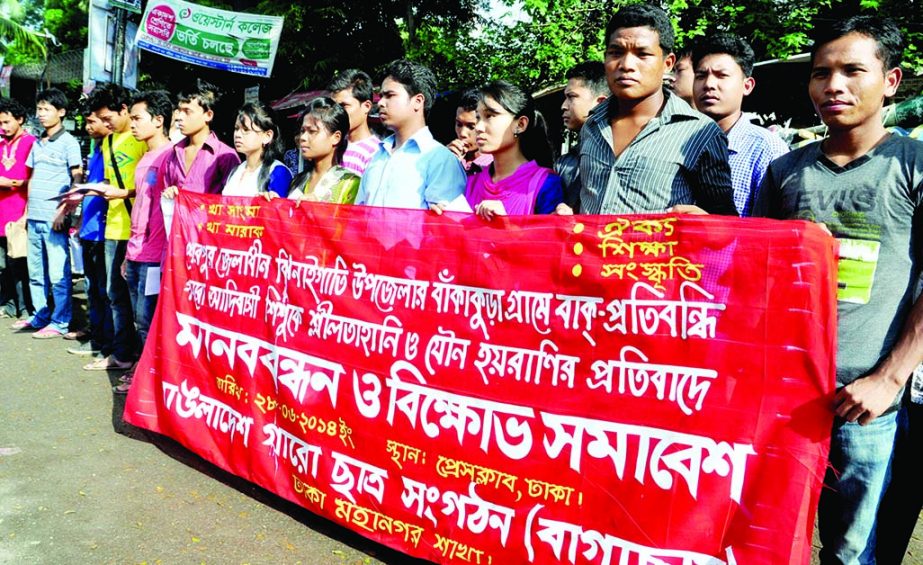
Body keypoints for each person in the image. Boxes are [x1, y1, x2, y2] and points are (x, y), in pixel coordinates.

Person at [750, 16, 923, 564]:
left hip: (868, 406)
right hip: (787, 397)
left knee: (852, 552)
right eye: (821, 73)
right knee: (773, 540)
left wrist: (887, 378)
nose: (834, 86)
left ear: (890, 80)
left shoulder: (914, 166)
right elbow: (758, 270)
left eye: (853, 71)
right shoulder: (784, 171)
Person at [579, 4, 736, 215]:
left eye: (642, 54)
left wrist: (709, 224)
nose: (626, 64)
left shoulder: (701, 134)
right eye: (616, 52)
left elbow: (727, 225)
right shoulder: (591, 125)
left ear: (668, 63)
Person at [82, 84, 148, 372]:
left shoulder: (142, 139)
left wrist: (125, 193)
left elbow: (149, 186)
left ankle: (135, 357)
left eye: (108, 118)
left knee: (137, 303)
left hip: (137, 231)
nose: (105, 124)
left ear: (124, 110)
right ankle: (121, 353)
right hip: (113, 227)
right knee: (114, 295)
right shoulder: (107, 143)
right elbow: (114, 182)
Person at [115, 90, 175, 394]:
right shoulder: (145, 156)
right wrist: (128, 253)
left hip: (156, 255)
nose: (133, 124)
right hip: (137, 251)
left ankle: (149, 378)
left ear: (159, 120)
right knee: (140, 319)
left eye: (138, 118)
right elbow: (141, 206)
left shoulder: (171, 156)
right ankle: (143, 372)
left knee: (149, 320)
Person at [10, 88, 82, 338]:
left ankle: (60, 321)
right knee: (36, 273)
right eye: (39, 109)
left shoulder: (69, 142)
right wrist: (25, 214)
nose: (41, 114)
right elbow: (32, 178)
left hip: (55, 220)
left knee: (57, 275)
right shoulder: (37, 142)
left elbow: (77, 178)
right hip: (34, 218)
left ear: (61, 112)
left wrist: (64, 211)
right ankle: (40, 314)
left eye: (46, 109)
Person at [692, 34, 789, 216]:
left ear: (747, 86)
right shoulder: (680, 141)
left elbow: (771, 230)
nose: (709, 84)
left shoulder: (766, 149)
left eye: (722, 76)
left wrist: (712, 225)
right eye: (701, 76)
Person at [355, 59, 466, 209]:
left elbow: (445, 226)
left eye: (390, 95)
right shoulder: (377, 156)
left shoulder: (440, 160)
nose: (380, 103)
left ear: (418, 101)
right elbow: (359, 213)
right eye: (381, 96)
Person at [458, 81, 564, 220]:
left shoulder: (544, 184)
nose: (478, 127)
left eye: (489, 116)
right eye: (478, 117)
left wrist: (508, 227)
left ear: (520, 125)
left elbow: (550, 240)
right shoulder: (470, 183)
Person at [65, 107, 112, 358]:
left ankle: (106, 343)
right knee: (93, 288)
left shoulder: (114, 150)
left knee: (105, 292)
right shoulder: (95, 150)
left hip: (105, 231)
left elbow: (108, 187)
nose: (88, 126)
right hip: (89, 229)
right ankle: (96, 334)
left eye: (94, 121)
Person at [163, 80, 240, 198]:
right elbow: (164, 194)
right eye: (179, 111)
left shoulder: (225, 156)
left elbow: (233, 203)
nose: (179, 117)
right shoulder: (173, 153)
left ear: (208, 115)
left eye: (187, 111)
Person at [0, 98, 36, 320]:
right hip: (1, 212)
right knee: (3, 264)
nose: (2, 127)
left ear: (20, 119)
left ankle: (26, 308)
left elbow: (34, 180)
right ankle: (9, 304)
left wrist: (10, 183)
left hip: (20, 212)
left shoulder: (31, 143)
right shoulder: (1, 145)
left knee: (20, 263)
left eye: (6, 122)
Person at [556, 62, 608, 212]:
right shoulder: (564, 164)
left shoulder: (622, 158)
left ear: (600, 103)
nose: (564, 106)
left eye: (571, 97)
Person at [285, 97, 360, 204]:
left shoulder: (350, 183)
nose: (303, 137)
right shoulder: (297, 180)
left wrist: (319, 212)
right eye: (303, 131)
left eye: (312, 131)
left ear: (336, 137)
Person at [223, 101, 292, 197]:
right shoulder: (235, 171)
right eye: (236, 128)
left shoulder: (278, 172)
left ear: (267, 136)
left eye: (246, 130)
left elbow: (279, 209)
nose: (237, 135)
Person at [327, 69, 379, 175]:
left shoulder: (375, 153)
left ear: (366, 106)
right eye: (334, 106)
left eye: (344, 106)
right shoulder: (331, 145)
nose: (337, 112)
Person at [447, 88, 492, 175]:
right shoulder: (449, 157)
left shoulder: (495, 167)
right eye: (459, 124)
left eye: (471, 127)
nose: (462, 133)